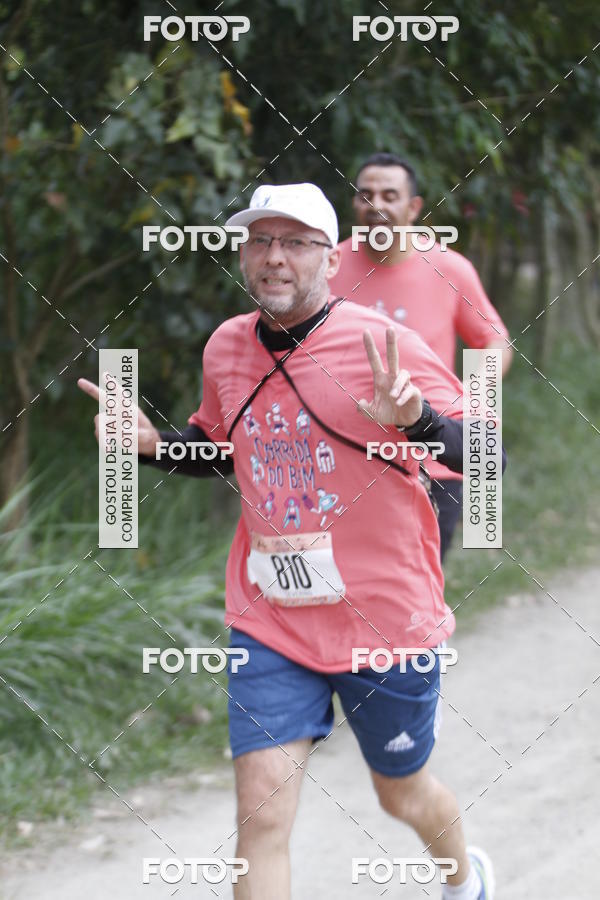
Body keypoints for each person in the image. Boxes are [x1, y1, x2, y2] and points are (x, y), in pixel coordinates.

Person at [79, 182, 501, 900]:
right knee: (261, 809)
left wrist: (419, 418)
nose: (275, 258)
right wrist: (149, 446)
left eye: (297, 243)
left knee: (399, 794)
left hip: (384, 619)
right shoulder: (227, 348)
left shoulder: (383, 343)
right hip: (270, 617)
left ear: (330, 259)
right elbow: (220, 446)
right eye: (261, 241)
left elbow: (483, 455)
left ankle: (464, 878)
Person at [329, 153, 513, 559]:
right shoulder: (329, 267)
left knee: (417, 598)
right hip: (344, 458)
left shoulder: (449, 267)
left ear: (413, 207)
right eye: (365, 194)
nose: (375, 204)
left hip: (432, 463)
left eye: (389, 194)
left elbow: (493, 341)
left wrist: (469, 400)